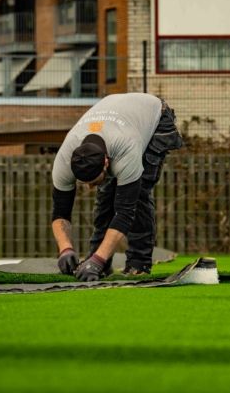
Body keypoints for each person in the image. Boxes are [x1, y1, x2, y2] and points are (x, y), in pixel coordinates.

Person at [51, 93, 182, 281]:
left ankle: (138, 264)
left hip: (154, 117)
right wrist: (65, 249)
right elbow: (60, 213)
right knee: (105, 196)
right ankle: (101, 264)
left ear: (106, 162)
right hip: (116, 116)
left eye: (94, 182)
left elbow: (125, 213)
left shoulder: (126, 147)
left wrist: (97, 260)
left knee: (138, 195)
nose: (89, 188)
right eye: (85, 183)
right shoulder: (64, 158)